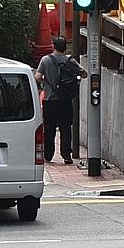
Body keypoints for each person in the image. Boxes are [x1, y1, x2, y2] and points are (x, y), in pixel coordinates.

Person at [36, 35, 85, 165]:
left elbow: (37, 76)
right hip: (65, 99)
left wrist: (46, 82)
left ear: (53, 46)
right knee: (65, 127)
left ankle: (48, 155)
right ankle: (66, 155)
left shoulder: (45, 60)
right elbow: (84, 73)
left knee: (50, 127)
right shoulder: (70, 60)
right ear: (65, 47)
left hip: (49, 100)